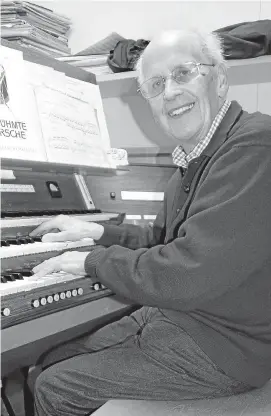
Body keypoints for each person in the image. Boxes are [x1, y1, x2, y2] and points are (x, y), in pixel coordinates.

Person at [30, 29, 271, 416]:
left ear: (220, 80)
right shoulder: (192, 162)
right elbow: (162, 240)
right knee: (57, 356)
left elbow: (187, 274)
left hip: (226, 346)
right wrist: (98, 232)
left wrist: (91, 261)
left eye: (183, 74)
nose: (170, 93)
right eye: (156, 84)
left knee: (55, 386)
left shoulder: (253, 146)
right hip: (185, 317)